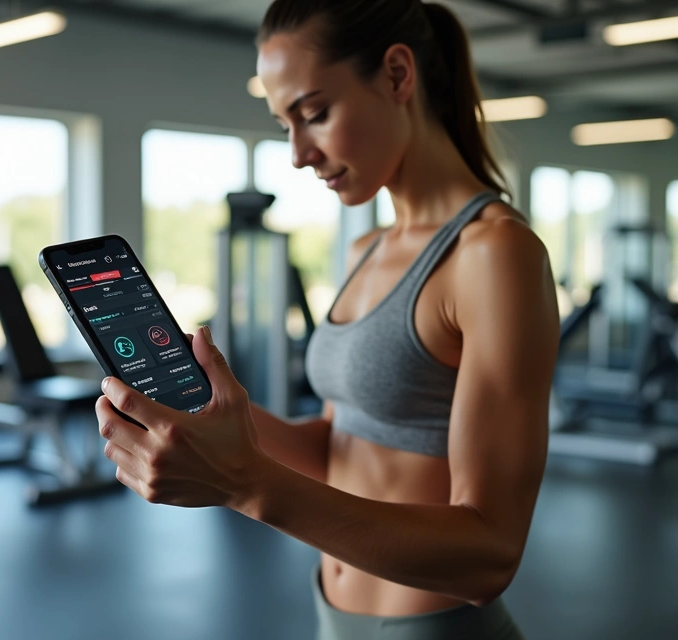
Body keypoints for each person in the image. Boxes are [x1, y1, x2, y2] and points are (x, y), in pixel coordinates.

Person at [94, 1, 559, 637]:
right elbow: (339, 448)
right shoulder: (367, 248)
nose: (297, 153)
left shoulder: (493, 255)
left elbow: (488, 557)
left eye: (314, 113)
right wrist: (209, 406)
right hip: (333, 619)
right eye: (285, 123)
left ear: (398, 76)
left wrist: (246, 485)